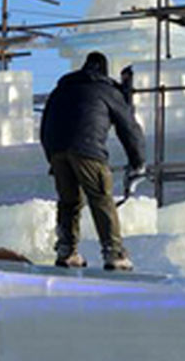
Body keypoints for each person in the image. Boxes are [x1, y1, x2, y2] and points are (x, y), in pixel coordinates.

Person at [40, 51, 146, 271]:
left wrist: (53, 157)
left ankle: (67, 251)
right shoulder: (107, 91)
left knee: (69, 202)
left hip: (56, 148)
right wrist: (138, 162)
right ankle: (114, 254)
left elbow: (44, 126)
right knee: (101, 198)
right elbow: (130, 130)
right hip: (88, 150)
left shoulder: (61, 89)